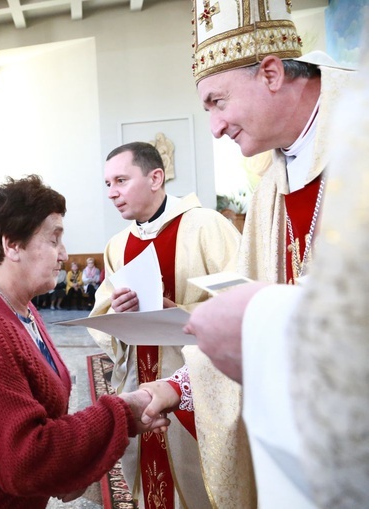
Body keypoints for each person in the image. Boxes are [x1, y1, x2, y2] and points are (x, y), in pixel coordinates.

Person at [137, 1, 358, 506]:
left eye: (217, 102)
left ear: (272, 72)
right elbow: (245, 323)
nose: (213, 127)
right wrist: (173, 389)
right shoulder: (273, 184)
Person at [0, 175, 169, 508]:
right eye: (54, 240)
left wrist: (67, 468)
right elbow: (24, 460)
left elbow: (31, 410)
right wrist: (124, 411)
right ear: (12, 245)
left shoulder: (14, 303)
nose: (64, 254)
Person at [88, 142, 239, 509]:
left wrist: (180, 310)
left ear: (156, 177)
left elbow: (243, 298)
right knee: (152, 482)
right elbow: (102, 315)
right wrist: (118, 312)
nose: (112, 193)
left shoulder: (207, 226)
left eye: (121, 180)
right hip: (142, 378)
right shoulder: (118, 244)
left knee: (202, 480)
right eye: (107, 184)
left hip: (196, 378)